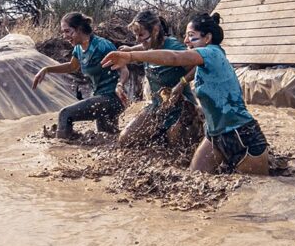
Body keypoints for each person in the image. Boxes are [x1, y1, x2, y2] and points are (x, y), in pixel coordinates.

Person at [101, 13, 270, 175]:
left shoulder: (212, 52)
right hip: (214, 135)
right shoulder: (205, 58)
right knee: (194, 177)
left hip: (242, 135)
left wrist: (130, 56)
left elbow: (175, 57)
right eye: (186, 35)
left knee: (251, 192)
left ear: (207, 38)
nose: (186, 40)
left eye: (191, 36)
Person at [31, 11, 128, 139]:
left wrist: (120, 85)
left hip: (112, 99)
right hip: (100, 98)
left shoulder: (103, 46)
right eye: (63, 32)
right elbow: (72, 66)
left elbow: (124, 70)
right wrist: (47, 69)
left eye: (67, 31)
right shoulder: (78, 48)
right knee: (108, 137)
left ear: (79, 29)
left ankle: (60, 150)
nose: (64, 36)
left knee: (65, 114)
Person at [116, 9, 198, 147]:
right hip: (157, 107)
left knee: (176, 145)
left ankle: (194, 128)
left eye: (141, 34)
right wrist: (129, 50)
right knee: (126, 139)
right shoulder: (148, 46)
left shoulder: (175, 47)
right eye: (136, 35)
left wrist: (182, 83)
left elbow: (197, 66)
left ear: (155, 30)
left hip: (182, 108)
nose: (138, 39)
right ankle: (158, 135)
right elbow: (143, 46)